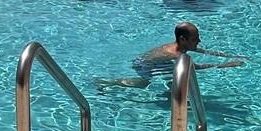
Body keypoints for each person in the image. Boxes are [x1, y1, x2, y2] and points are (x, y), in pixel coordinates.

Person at [97, 22, 245, 89]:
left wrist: (227, 55)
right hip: (145, 65)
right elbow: (196, 68)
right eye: (195, 39)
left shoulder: (180, 45)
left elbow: (200, 50)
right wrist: (226, 65)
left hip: (147, 60)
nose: (199, 41)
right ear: (182, 39)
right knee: (146, 83)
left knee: (173, 81)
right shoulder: (175, 55)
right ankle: (109, 82)